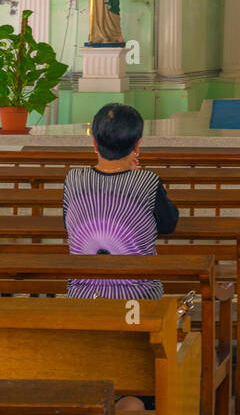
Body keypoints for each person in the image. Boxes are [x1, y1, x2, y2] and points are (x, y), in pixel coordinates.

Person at [62, 103, 179, 299]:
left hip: (82, 297)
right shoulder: (147, 182)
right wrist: (135, 177)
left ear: (95, 144)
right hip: (137, 298)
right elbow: (169, 224)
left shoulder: (73, 179)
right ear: (137, 145)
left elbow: (68, 224)